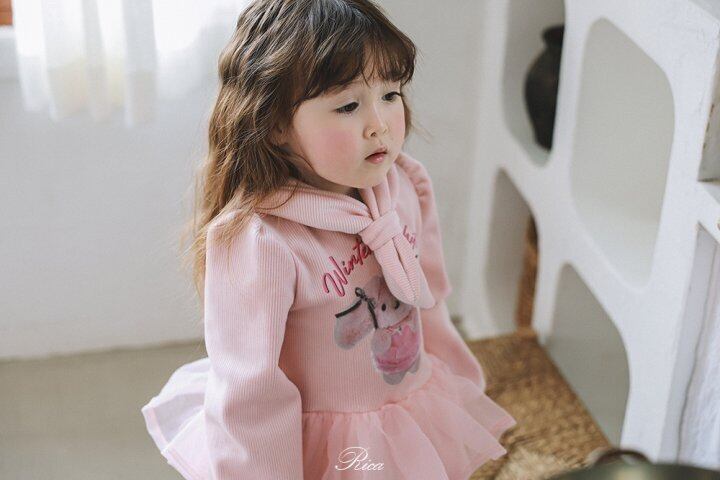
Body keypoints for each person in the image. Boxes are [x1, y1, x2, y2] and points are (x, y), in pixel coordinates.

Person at [141, 0, 517, 478]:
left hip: (410, 409)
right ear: (276, 124)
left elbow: (431, 299)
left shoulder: (406, 185)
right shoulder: (263, 241)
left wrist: (461, 383)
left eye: (391, 94)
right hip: (329, 447)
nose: (379, 123)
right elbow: (251, 389)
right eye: (348, 105)